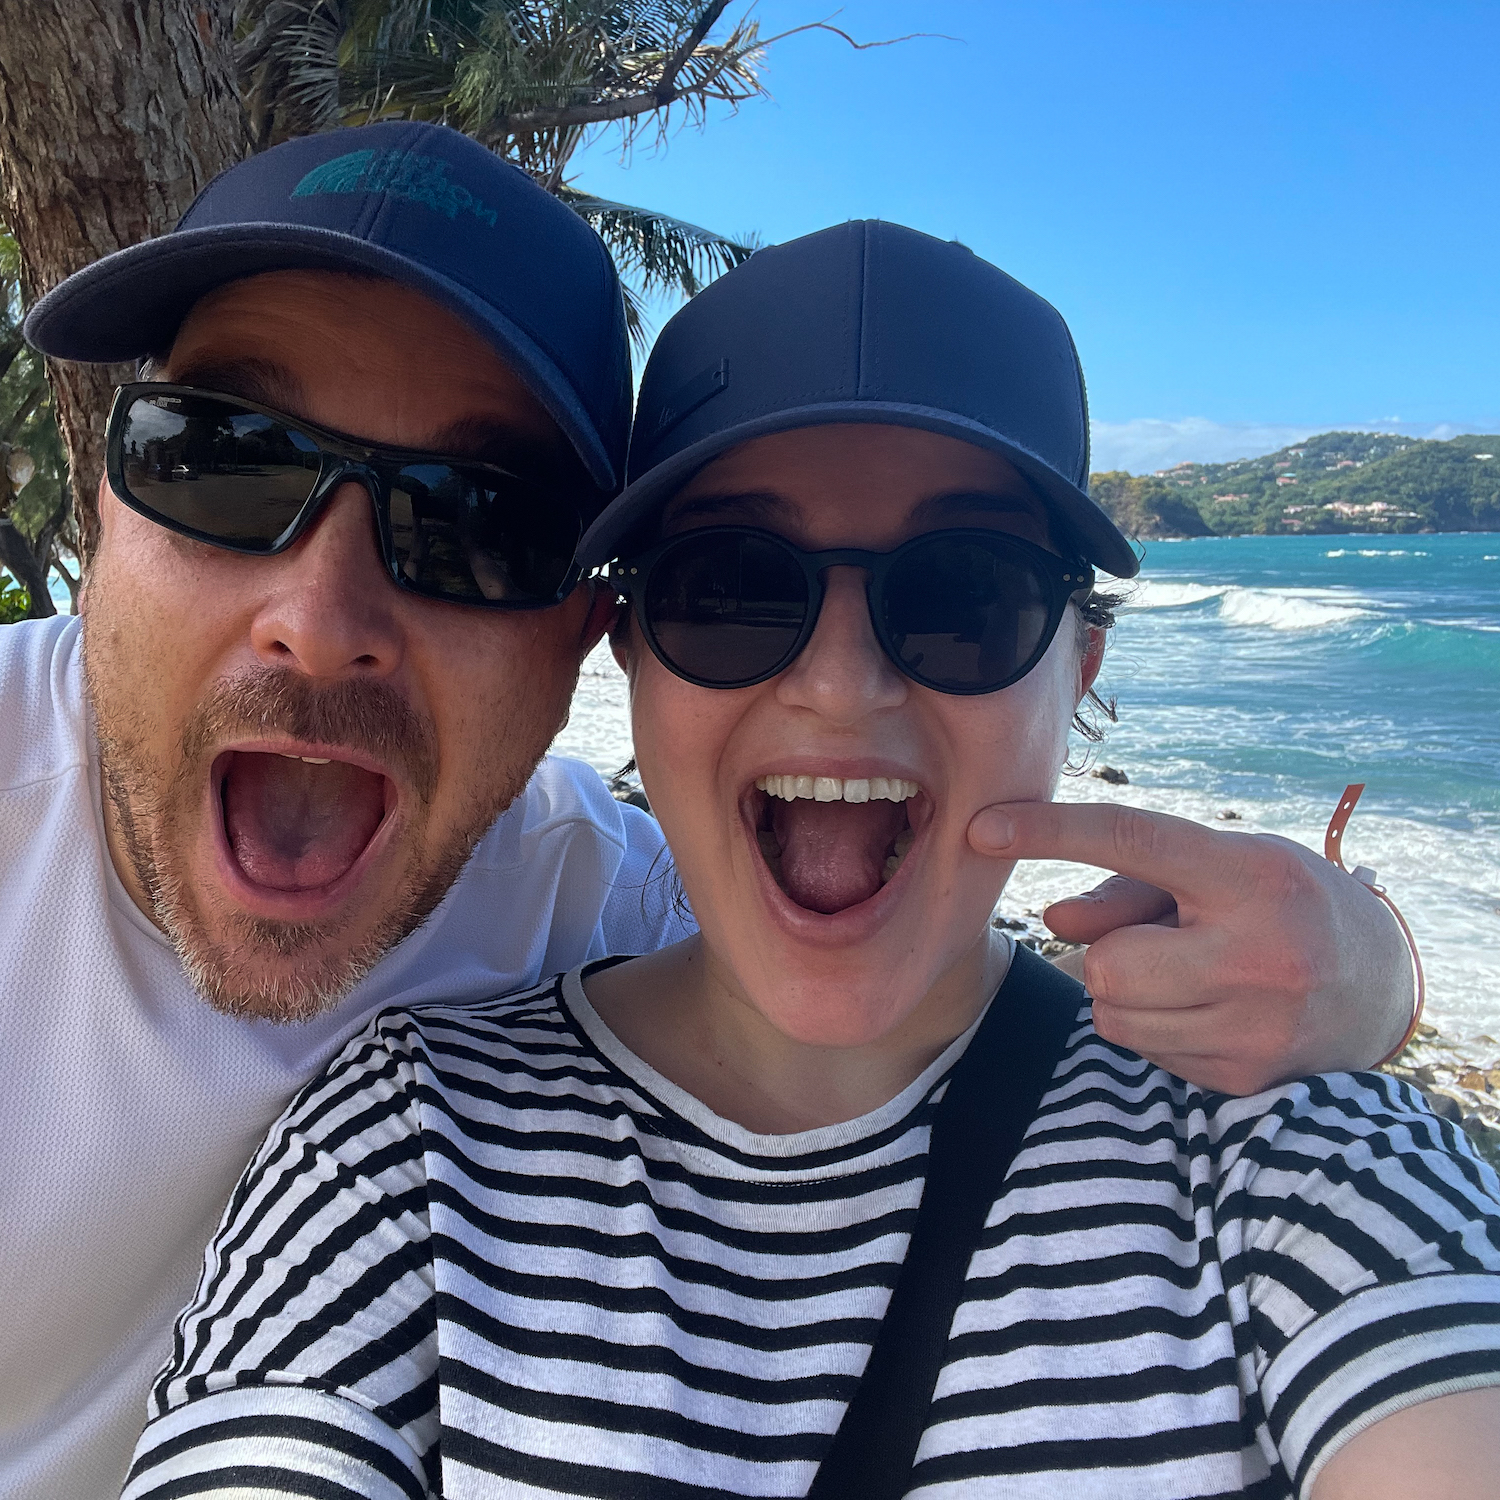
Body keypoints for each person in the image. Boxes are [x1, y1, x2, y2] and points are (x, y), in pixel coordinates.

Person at [0, 122, 1415, 1498]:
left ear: (585, 632)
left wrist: (1373, 970)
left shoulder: (612, 904)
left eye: (477, 524)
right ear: (103, 502)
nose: (319, 623)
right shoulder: (409, 1131)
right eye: (223, 459)